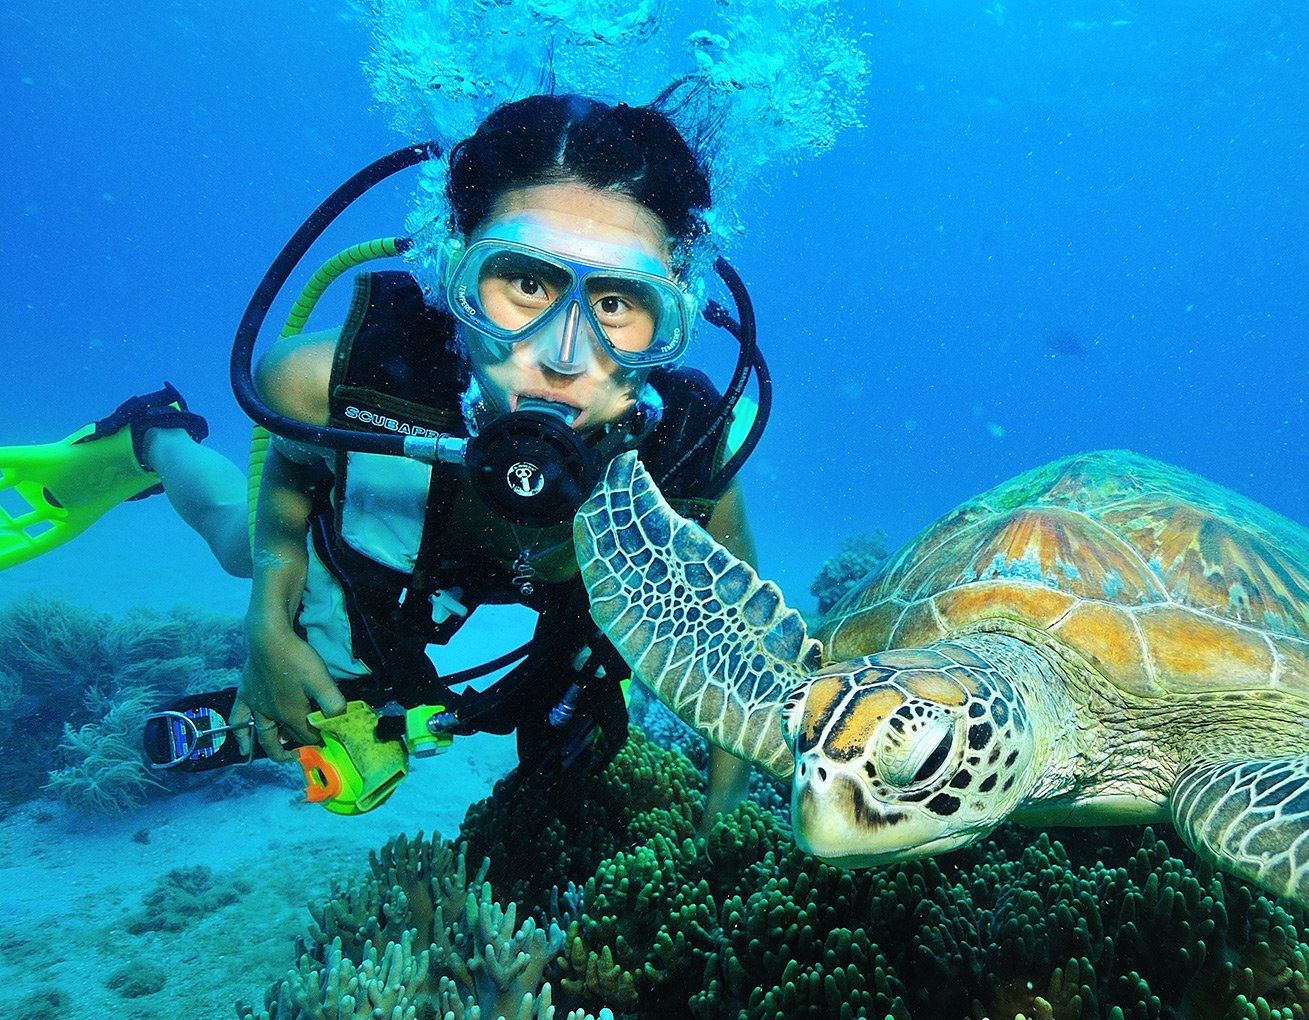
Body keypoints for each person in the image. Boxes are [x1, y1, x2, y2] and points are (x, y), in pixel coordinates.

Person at [0, 94, 757, 824]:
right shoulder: (314, 385)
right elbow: (293, 471)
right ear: (453, 270)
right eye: (526, 282)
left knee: (573, 736)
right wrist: (267, 618)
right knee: (238, 542)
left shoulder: (690, 452)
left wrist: (720, 825)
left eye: (619, 304)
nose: (563, 357)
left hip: (553, 586)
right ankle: (155, 438)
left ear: (675, 318)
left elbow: (734, 646)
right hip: (395, 532)